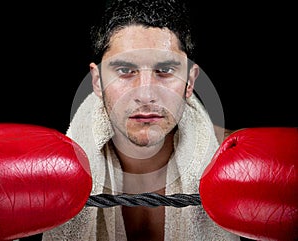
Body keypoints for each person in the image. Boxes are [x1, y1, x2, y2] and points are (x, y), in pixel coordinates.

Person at [42, 0, 240, 240]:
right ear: (97, 81)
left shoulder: (233, 158)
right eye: (125, 71)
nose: (145, 95)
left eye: (165, 70)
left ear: (190, 81)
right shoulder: (47, 172)